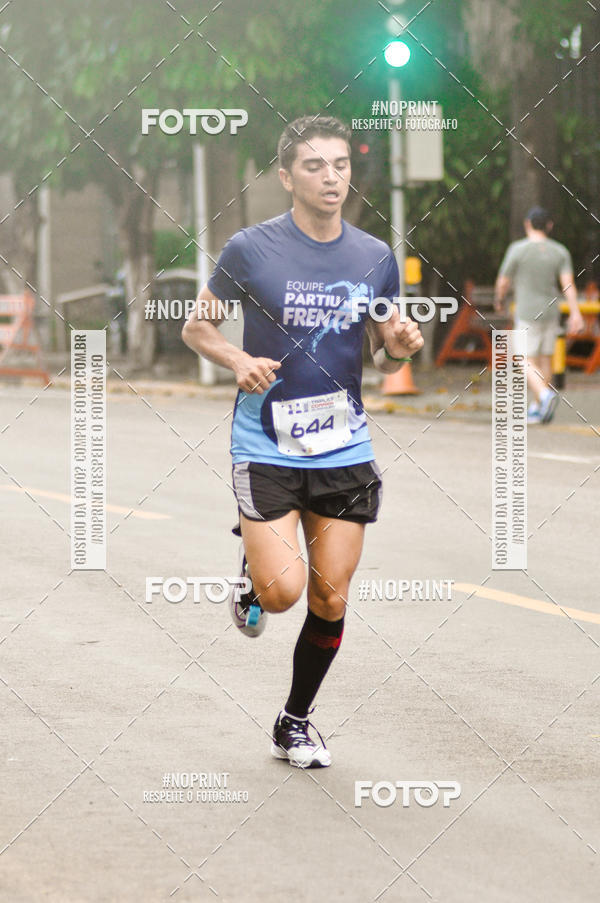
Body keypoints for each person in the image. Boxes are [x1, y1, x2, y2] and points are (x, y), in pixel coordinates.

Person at [182, 115, 423, 768]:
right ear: (287, 175)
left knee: (330, 596)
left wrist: (397, 345)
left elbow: (379, 350)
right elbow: (196, 328)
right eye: (315, 166)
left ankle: (294, 720)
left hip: (343, 448)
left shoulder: (374, 256)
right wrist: (235, 359)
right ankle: (255, 575)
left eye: (341, 165)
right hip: (264, 443)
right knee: (285, 592)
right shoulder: (251, 249)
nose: (331, 177)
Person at [494, 207, 583, 424]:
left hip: (526, 312)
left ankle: (545, 396)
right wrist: (575, 313)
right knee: (544, 359)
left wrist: (499, 298)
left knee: (522, 358)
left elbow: (504, 281)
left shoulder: (518, 249)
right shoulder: (560, 251)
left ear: (527, 224)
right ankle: (537, 408)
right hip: (551, 312)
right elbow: (568, 285)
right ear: (549, 226)